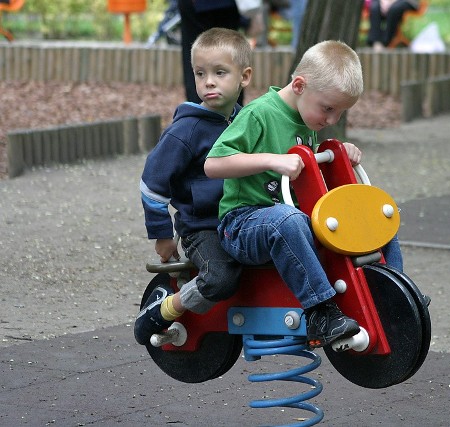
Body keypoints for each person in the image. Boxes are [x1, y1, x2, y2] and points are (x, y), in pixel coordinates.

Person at [204, 40, 400, 349]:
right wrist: (271, 159)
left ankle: (392, 293)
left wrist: (335, 153)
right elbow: (213, 164)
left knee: (375, 214)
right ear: (299, 85)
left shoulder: (305, 117)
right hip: (242, 224)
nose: (332, 120)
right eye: (328, 109)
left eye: (340, 113)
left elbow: (307, 168)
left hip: (289, 220)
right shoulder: (260, 114)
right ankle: (321, 310)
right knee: (289, 220)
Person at [134, 28, 253, 345]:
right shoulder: (185, 129)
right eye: (201, 73)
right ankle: (164, 310)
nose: (209, 82)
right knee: (221, 279)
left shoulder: (244, 122)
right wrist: (161, 237)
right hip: (204, 228)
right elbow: (151, 184)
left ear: (245, 77)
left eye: (219, 72)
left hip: (241, 221)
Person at [177, 0, 243, 104]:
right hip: (226, 6)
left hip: (197, 5)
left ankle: (199, 112)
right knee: (230, 55)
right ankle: (232, 113)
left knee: (196, 55)